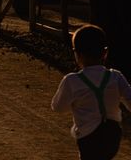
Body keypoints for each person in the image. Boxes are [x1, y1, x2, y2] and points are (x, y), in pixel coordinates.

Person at [51, 24, 131, 160]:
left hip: (88, 136)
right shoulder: (116, 77)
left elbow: (58, 107)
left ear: (77, 54)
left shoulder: (72, 81)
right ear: (105, 52)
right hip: (113, 134)